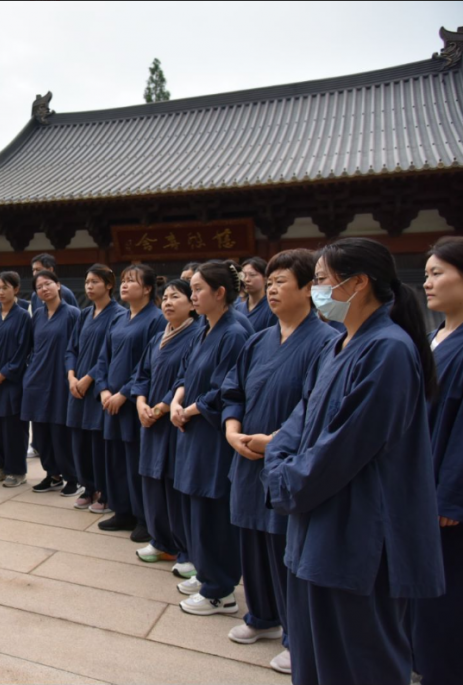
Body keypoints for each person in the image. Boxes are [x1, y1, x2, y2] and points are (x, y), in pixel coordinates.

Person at [263, 238, 444, 685]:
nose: (317, 290)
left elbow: (344, 447)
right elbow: (297, 421)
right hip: (314, 529)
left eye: (322, 280)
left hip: (358, 536)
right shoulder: (338, 345)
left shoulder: (389, 350)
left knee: (360, 663)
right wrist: (279, 461)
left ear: (358, 282)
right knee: (313, 658)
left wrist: (285, 479)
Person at [220, 250, 337, 676]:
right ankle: (262, 616)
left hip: (284, 459)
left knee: (284, 549)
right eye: (268, 281)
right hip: (246, 456)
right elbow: (232, 390)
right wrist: (232, 429)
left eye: (281, 281)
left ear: (309, 288)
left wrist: (276, 442)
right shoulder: (259, 338)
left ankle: (296, 636)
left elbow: (315, 406)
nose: (270, 288)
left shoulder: (326, 341)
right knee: (252, 542)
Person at [170, 260, 249, 616]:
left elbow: (226, 387)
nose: (192, 294)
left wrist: (191, 409)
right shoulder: (204, 326)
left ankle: (221, 590)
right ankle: (206, 572)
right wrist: (175, 399)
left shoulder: (234, 332)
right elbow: (187, 371)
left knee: (212, 509)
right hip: (191, 427)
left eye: (199, 288)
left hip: (211, 432)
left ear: (220, 293)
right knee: (194, 506)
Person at [413, 236, 463, 685]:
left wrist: (450, 495)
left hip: (444, 496)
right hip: (418, 482)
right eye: (426, 273)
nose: (427, 282)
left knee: (445, 592)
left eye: (437, 273)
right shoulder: (435, 335)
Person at [131, 279, 199, 578]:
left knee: (173, 485)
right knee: (151, 481)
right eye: (166, 297)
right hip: (150, 420)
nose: (169, 302)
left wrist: (161, 407)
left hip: (173, 420)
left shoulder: (197, 335)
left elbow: (186, 379)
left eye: (176, 297)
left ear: (192, 302)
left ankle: (185, 549)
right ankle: (160, 540)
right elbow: (142, 373)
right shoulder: (158, 336)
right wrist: (141, 403)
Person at [96, 264, 166, 540]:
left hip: (132, 402)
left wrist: (124, 393)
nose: (124, 285)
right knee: (114, 459)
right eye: (123, 280)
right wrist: (102, 390)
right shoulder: (119, 318)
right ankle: (121, 509)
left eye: (131, 281)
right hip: (109, 400)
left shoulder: (156, 319)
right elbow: (104, 358)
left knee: (134, 459)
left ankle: (143, 518)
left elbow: (146, 366)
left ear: (147, 289)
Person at [66, 264, 124, 511]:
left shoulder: (118, 314)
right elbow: (71, 349)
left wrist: (88, 378)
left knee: (98, 442)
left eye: (95, 282)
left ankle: (105, 491)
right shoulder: (83, 314)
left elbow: (107, 355)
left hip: (97, 387)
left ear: (109, 285)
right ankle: (88, 486)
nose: (89, 286)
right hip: (76, 387)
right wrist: (71, 376)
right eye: (87, 282)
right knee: (79, 441)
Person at [22, 270, 82, 495]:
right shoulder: (37, 315)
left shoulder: (73, 314)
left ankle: (73, 477)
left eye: (48, 284)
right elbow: (31, 347)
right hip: (37, 379)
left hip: (61, 379)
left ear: (59, 286)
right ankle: (52, 474)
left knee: (61, 430)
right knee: (41, 431)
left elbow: (77, 349)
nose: (44, 289)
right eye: (39, 287)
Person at [0, 272, 33, 488]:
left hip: (12, 381)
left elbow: (23, 350)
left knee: (14, 427)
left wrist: (5, 372)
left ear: (16, 289)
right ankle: (0, 466)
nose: (1, 292)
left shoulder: (22, 317)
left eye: (5, 288)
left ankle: (17, 470)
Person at [234, 257, 278, 332]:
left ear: (265, 278)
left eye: (252, 275)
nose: (246, 279)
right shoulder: (237, 308)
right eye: (243, 275)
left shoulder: (272, 308)